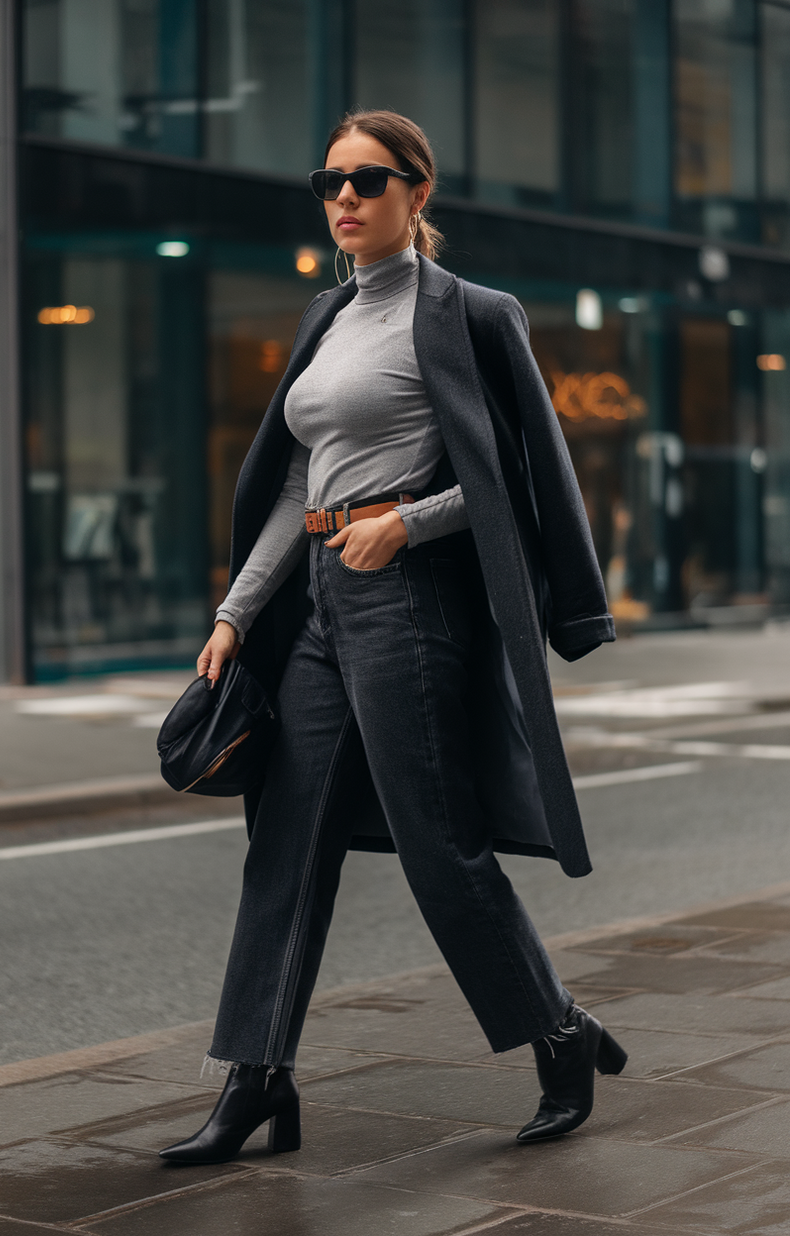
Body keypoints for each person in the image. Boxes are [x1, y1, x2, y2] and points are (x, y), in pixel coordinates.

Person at [160, 109, 626, 1165]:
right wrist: (238, 611)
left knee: (437, 847)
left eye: (367, 181)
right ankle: (255, 1084)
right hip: (316, 602)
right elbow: (292, 482)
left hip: (407, 602)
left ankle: (556, 1033)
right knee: (285, 842)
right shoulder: (324, 318)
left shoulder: (471, 315)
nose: (343, 199)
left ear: (417, 194)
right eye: (328, 180)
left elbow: (508, 478)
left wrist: (403, 523)